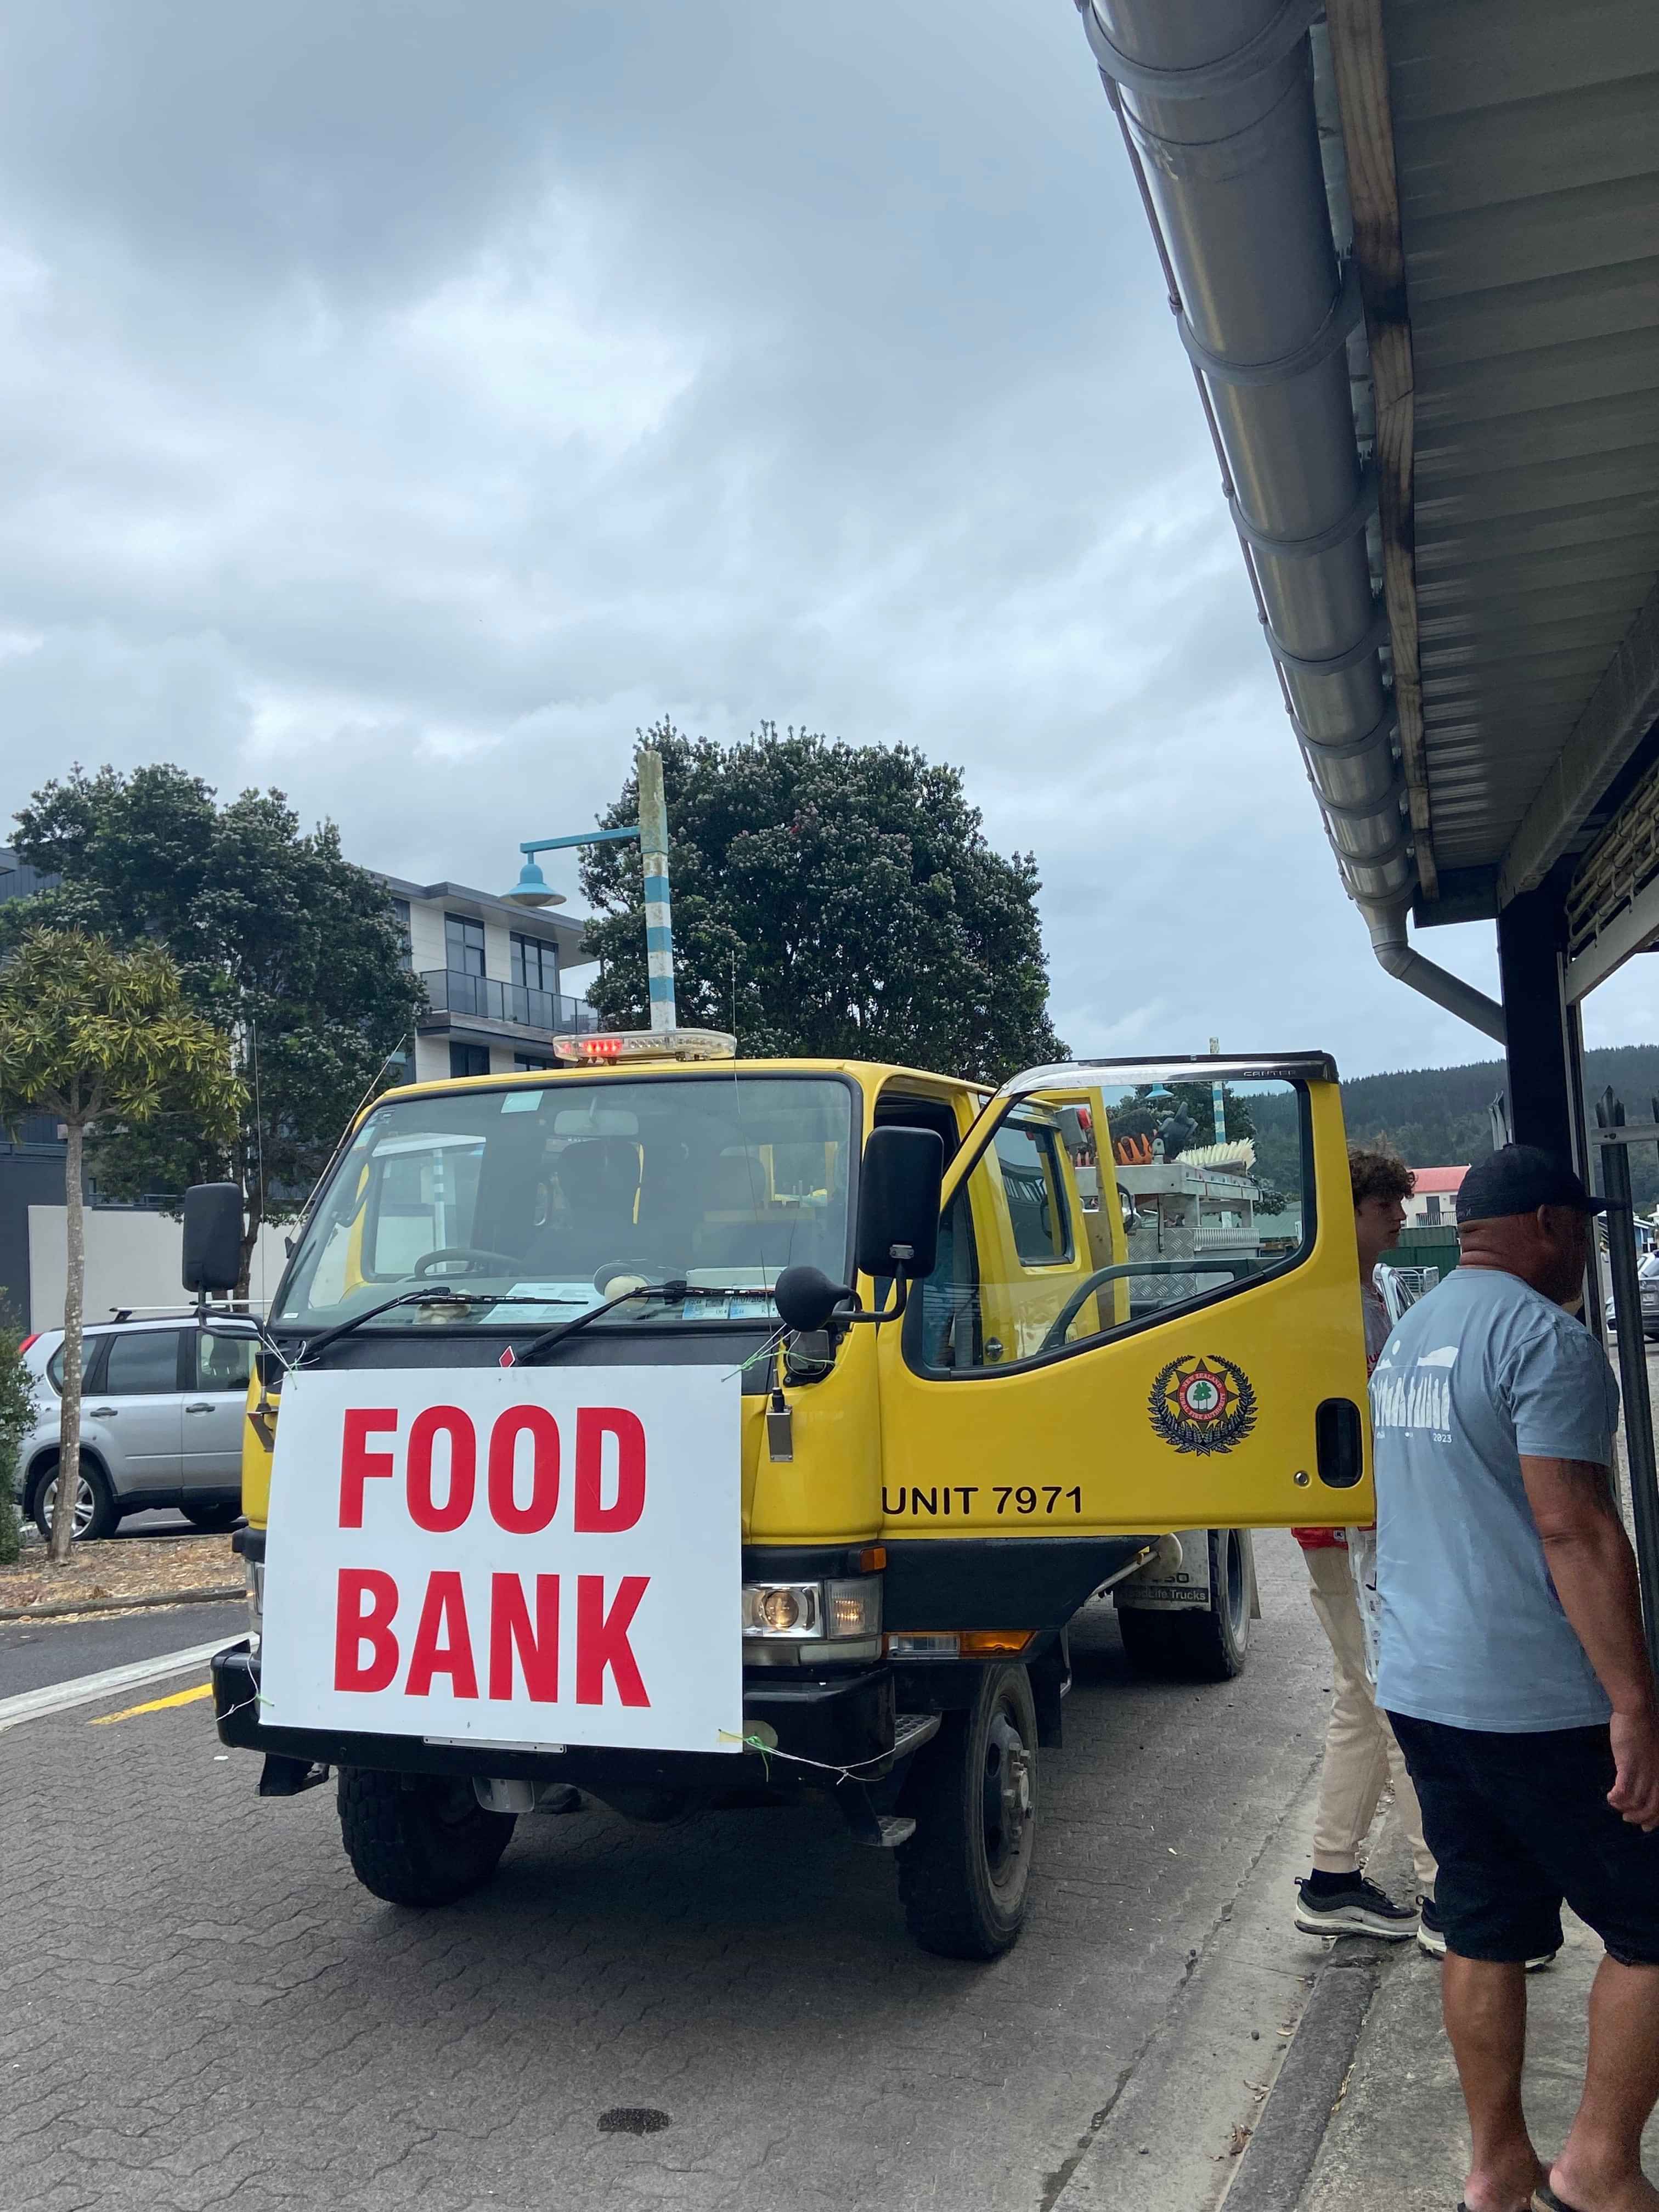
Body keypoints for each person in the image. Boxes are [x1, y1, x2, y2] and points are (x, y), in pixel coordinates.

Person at [1372, 1144, 1659, 2212]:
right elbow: (1574, 1527)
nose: (1585, 1250)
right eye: (1579, 1228)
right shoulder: (1548, 1340)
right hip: (1537, 1700)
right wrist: (1634, 1704)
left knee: (1485, 1925)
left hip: (1425, 1688)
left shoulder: (1413, 1336)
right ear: (1547, 1222)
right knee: (1649, 1927)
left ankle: (1496, 2172)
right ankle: (1598, 2168)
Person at [1293, 1147, 1437, 1942]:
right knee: (1398, 1699)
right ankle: (1448, 1893)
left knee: (1362, 1695)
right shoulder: (1324, 1305)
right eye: (1386, 1207)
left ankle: (1333, 1877)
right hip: (1348, 1527)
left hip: (1365, 1524)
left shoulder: (1372, 1289)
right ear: (1347, 1210)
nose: (1401, 1220)